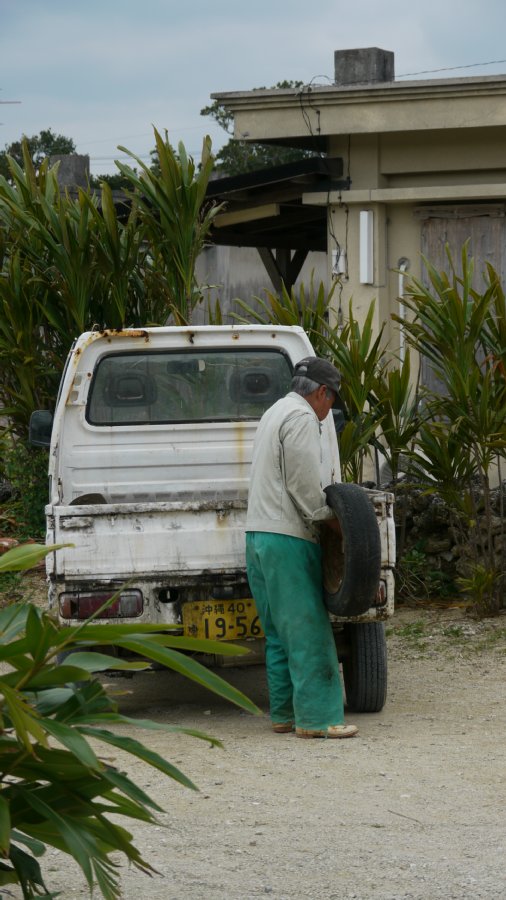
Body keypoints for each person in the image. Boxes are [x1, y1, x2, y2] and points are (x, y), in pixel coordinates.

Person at [245, 356, 358, 739]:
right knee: (308, 629)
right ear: (322, 392)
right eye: (333, 400)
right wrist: (342, 528)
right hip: (288, 538)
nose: (331, 411)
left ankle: (283, 714)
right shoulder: (303, 419)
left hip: (257, 536)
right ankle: (318, 719)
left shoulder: (274, 412)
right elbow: (307, 490)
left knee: (278, 632)